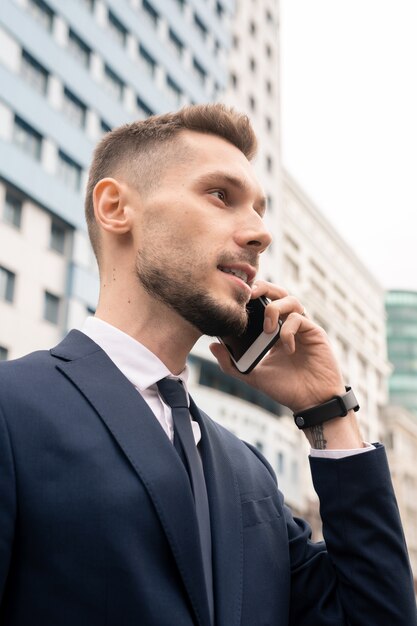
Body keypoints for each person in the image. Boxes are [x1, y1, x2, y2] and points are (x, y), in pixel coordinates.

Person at [0, 104, 415, 626]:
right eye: (221, 195)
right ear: (115, 207)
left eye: (261, 212)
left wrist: (327, 408)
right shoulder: (12, 409)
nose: (260, 234)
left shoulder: (250, 473)